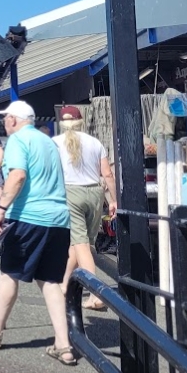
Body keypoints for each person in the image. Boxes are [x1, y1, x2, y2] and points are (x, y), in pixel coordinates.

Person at [0, 100, 75, 366]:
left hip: (29, 216)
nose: (3, 123)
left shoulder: (17, 141)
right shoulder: (48, 142)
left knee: (8, 273)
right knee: (50, 281)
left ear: (14, 119)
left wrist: (0, 210)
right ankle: (64, 344)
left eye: (5, 119)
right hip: (59, 219)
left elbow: (18, 176)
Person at [53, 105, 116, 312]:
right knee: (82, 243)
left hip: (70, 193)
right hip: (95, 194)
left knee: (80, 244)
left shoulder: (55, 143)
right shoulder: (95, 142)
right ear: (81, 120)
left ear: (62, 123)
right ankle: (63, 284)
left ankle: (96, 294)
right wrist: (114, 200)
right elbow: (107, 174)